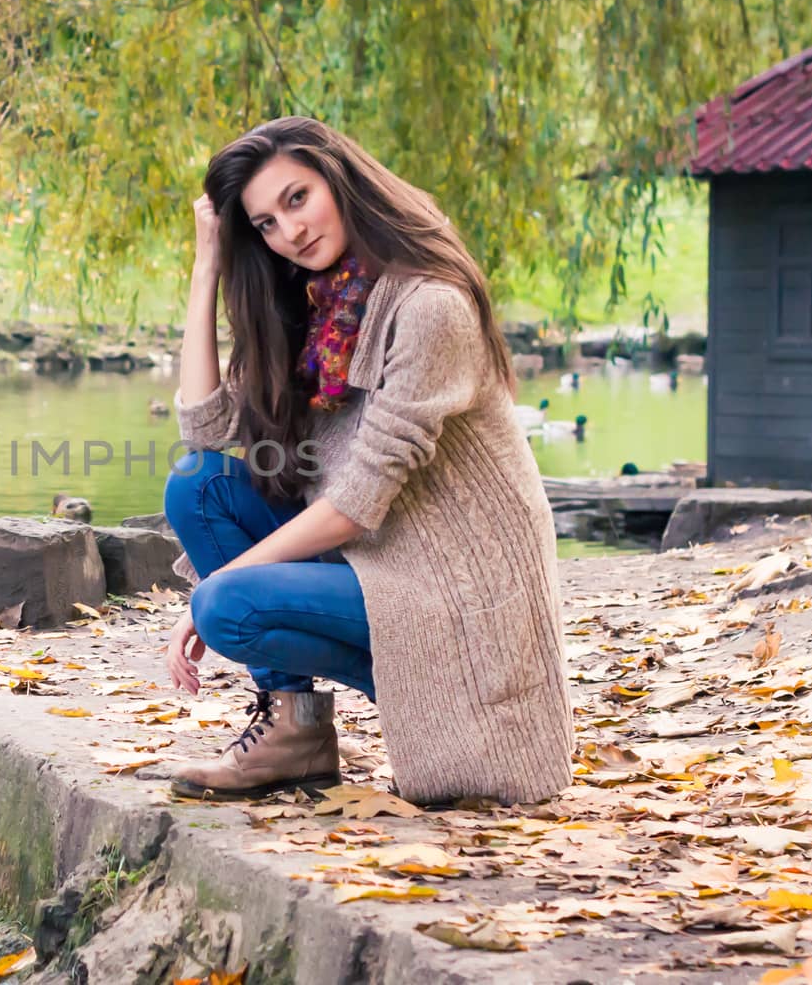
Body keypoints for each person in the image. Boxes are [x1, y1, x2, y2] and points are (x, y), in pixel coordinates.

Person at [162, 116, 573, 806]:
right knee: (198, 487)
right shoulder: (317, 311)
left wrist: (212, 593)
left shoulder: (430, 306)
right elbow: (206, 428)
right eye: (264, 224)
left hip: (457, 595)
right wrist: (209, 267)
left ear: (340, 179)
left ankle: (409, 695)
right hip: (381, 565)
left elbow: (354, 506)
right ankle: (294, 729)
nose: (288, 232)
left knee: (227, 604)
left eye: (297, 198)